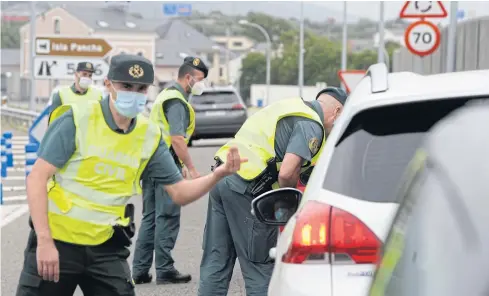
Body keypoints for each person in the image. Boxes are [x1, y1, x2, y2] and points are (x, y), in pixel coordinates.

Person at [16, 53, 246, 296]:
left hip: (105, 247)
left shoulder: (149, 134)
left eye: (140, 88)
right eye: (126, 86)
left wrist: (217, 175)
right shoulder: (76, 120)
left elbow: (178, 192)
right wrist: (43, 240)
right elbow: (37, 178)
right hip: (57, 242)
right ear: (108, 85)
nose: (133, 93)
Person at [198, 87, 347, 296]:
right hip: (247, 191)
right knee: (259, 267)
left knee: (216, 259)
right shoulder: (312, 124)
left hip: (222, 179)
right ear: (338, 111)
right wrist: (288, 207)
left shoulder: (291, 108)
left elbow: (299, 169)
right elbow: (287, 173)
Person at [132, 56, 208, 285]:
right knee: (167, 216)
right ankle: (164, 269)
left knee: (151, 218)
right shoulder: (176, 101)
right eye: (200, 80)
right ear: (188, 78)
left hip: (152, 163)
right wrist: (192, 169)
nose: (202, 84)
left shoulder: (166, 95)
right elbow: (176, 139)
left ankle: (140, 270)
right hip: (164, 163)